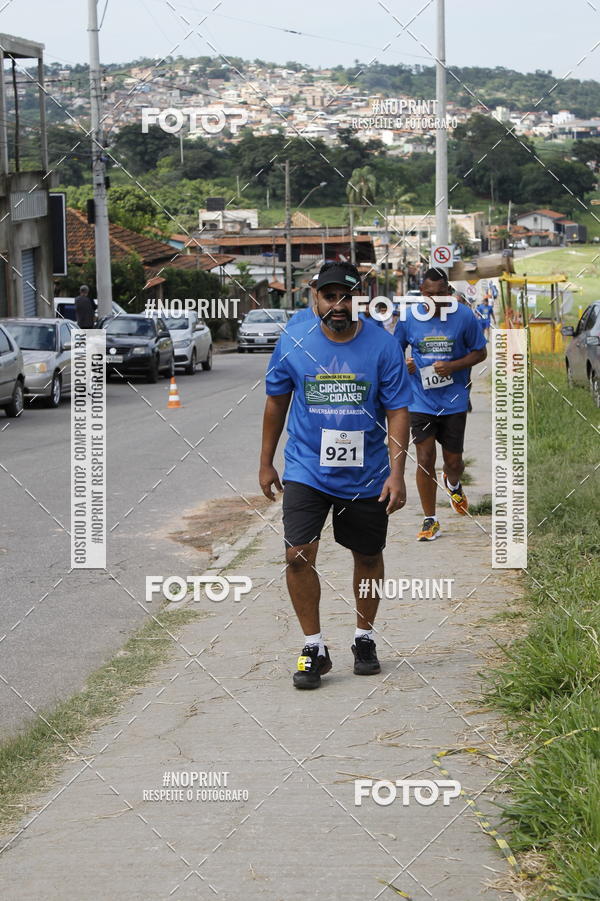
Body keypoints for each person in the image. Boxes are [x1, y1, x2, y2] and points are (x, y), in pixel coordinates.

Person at [259, 260, 412, 690]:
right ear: (314, 297)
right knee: (297, 556)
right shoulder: (294, 337)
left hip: (366, 474)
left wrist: (396, 473)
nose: (339, 305)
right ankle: (313, 647)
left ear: (357, 299)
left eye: (346, 296)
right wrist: (266, 460)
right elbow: (276, 401)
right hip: (307, 468)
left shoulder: (382, 347)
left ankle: (364, 638)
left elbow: (399, 410)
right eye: (330, 296)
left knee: (366, 557)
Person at [394, 267, 487, 542]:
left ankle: (453, 482)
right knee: (424, 458)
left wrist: (453, 366)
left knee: (454, 462)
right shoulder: (409, 318)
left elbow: (480, 352)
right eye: (429, 295)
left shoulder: (465, 317)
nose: (435, 301)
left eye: (441, 295)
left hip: (455, 398)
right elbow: (391, 353)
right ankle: (430, 519)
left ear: (449, 292)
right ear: (421, 293)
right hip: (420, 399)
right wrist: (404, 365)